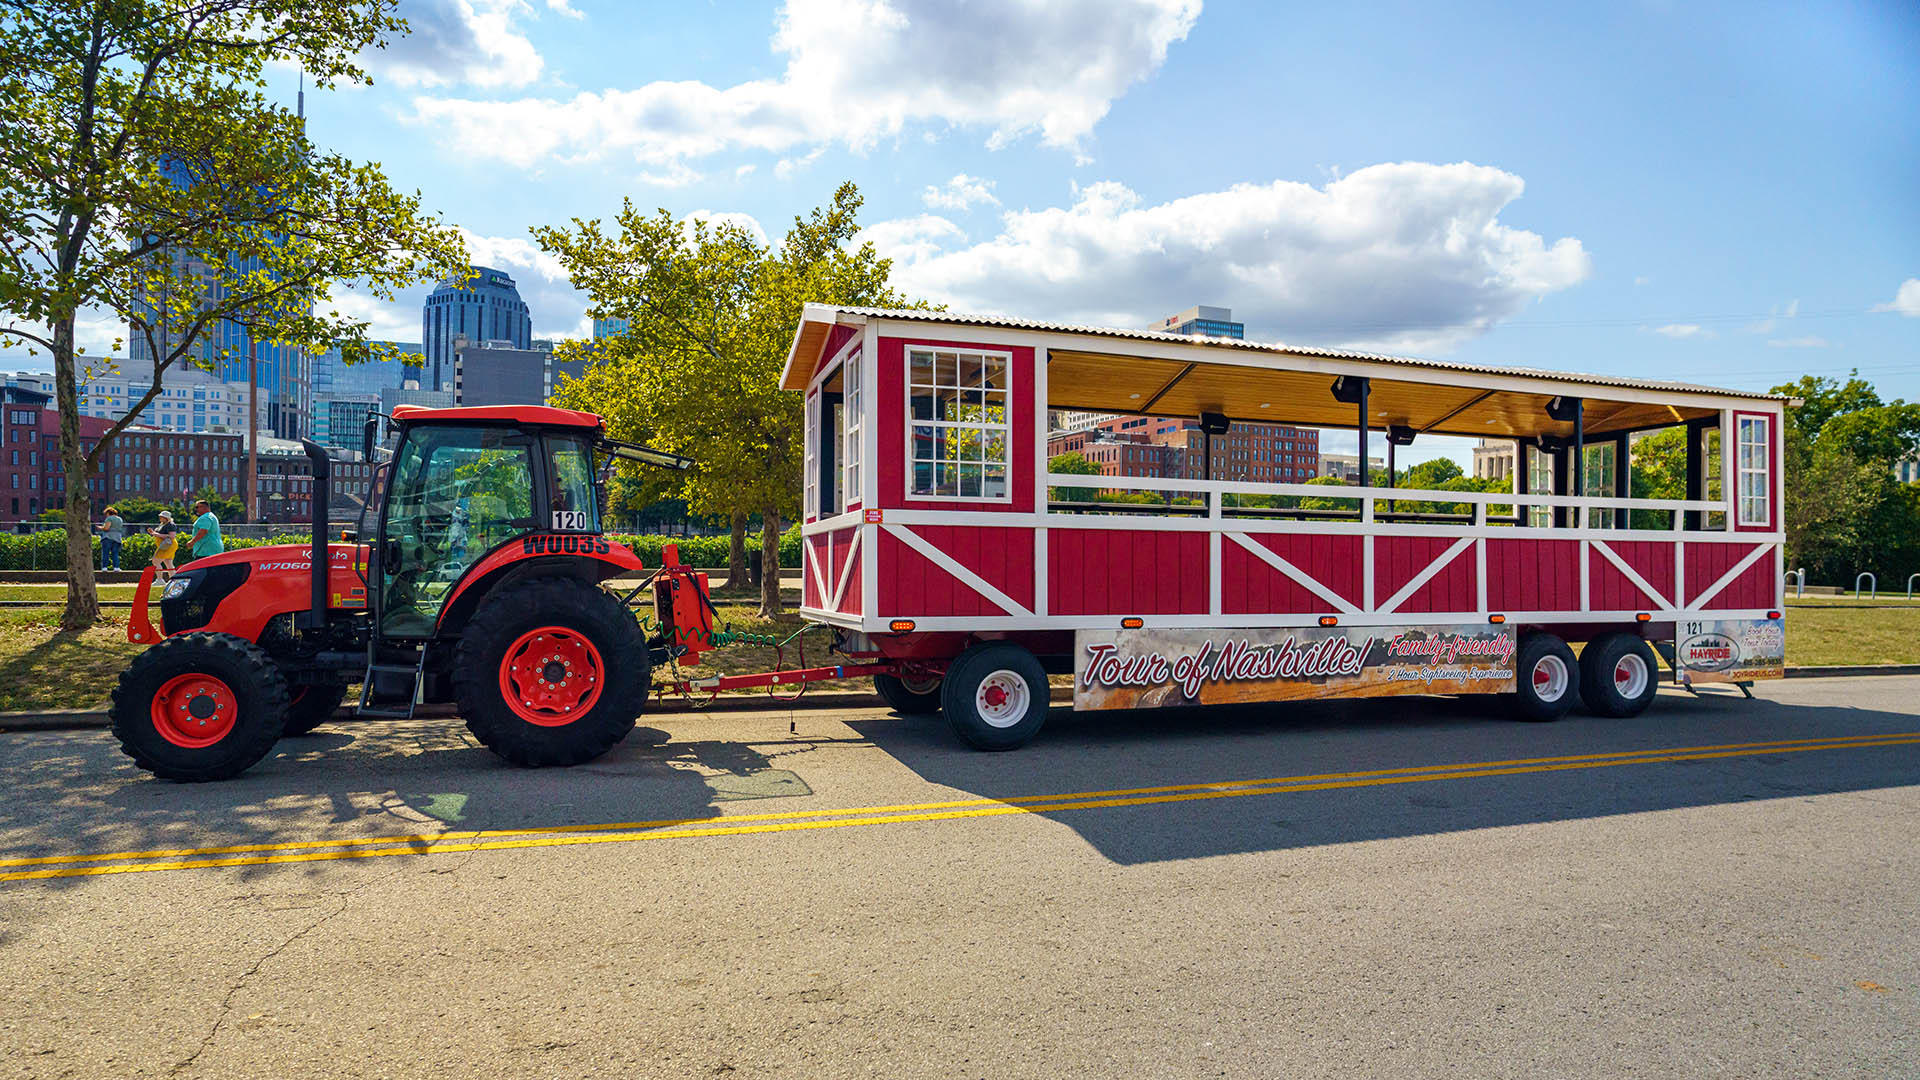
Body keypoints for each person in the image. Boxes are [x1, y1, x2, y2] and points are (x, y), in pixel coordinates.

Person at [185, 499, 223, 565]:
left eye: (197, 507)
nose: (196, 509)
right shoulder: (212, 516)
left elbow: (203, 531)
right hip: (214, 549)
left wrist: (192, 542)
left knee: (201, 572)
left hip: (205, 550)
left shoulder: (205, 518)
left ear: (205, 507)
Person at [148, 510, 178, 582]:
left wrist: (156, 534)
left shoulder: (170, 524)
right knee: (168, 562)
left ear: (166, 518)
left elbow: (172, 536)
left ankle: (159, 579)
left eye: (162, 517)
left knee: (156, 561)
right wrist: (153, 533)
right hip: (165, 545)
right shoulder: (163, 524)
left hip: (168, 545)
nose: (160, 518)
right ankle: (174, 580)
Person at [95, 505, 124, 571]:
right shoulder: (120, 519)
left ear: (108, 513)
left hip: (108, 537)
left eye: (106, 514)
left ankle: (104, 567)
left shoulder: (109, 518)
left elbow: (106, 528)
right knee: (115, 553)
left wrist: (100, 527)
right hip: (117, 538)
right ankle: (116, 567)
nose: (106, 516)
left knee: (105, 553)